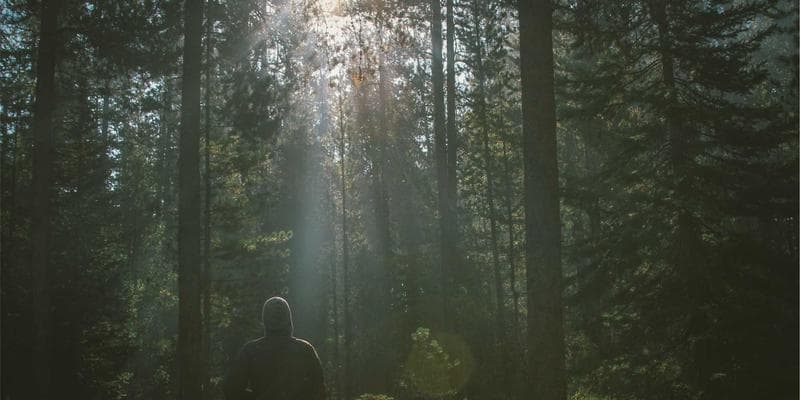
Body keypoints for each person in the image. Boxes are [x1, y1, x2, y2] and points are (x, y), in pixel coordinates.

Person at [223, 296, 326, 400]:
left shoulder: (251, 350)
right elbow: (319, 390)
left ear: (265, 320)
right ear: (288, 319)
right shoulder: (305, 349)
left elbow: (231, 389)